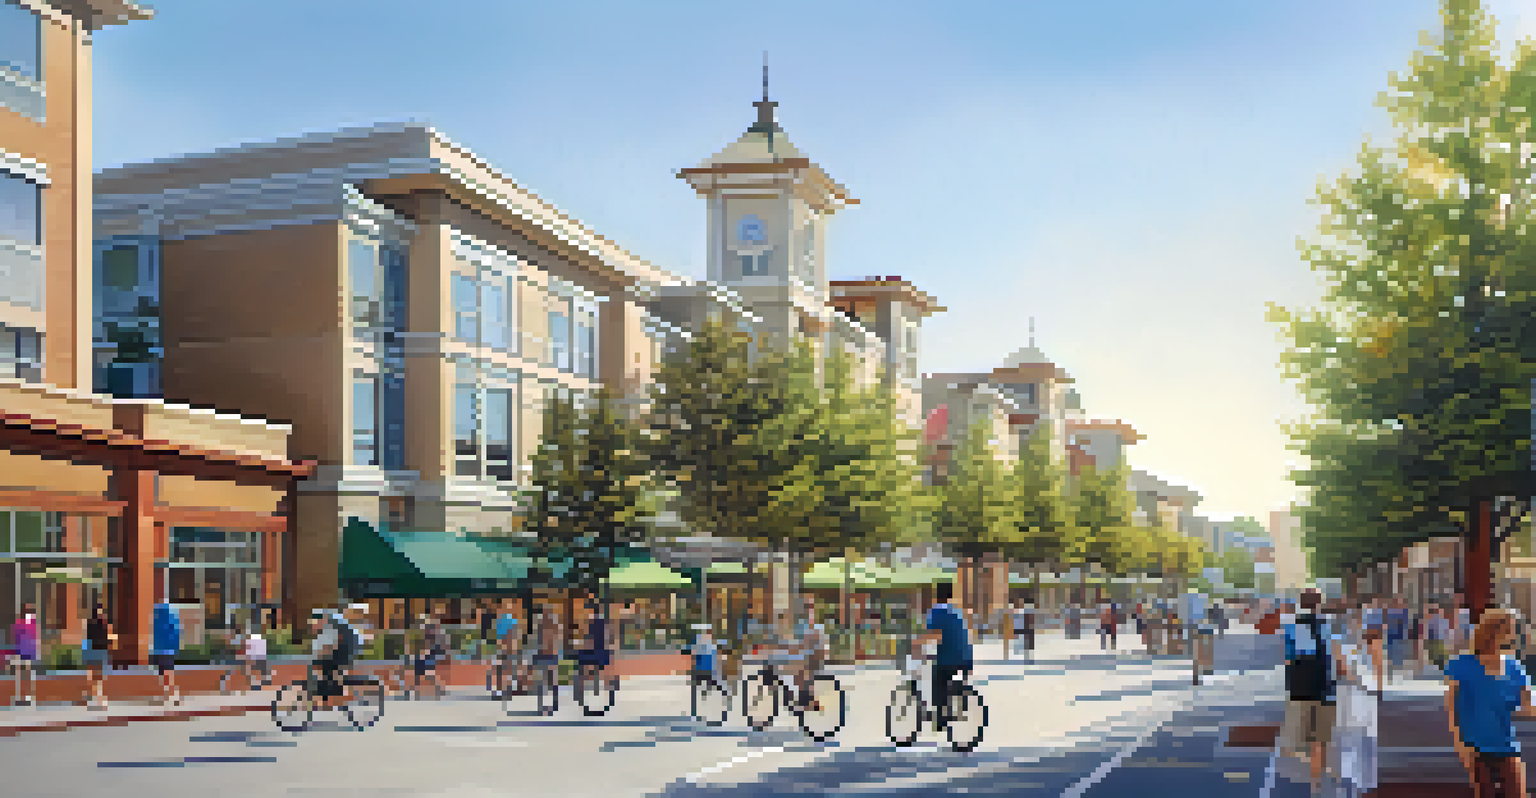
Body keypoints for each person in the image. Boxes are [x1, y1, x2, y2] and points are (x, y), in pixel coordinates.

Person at [1447, 608, 1533, 798]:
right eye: (1512, 628)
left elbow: (1528, 708)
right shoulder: (1461, 665)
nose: (1515, 633)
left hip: (1506, 746)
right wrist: (1461, 746)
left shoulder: (1515, 667)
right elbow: (1453, 710)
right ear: (1495, 630)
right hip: (1476, 749)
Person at [1283, 590, 1343, 794]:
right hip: (1325, 688)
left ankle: (1313, 777)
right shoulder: (1327, 627)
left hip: (1301, 689)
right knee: (1321, 739)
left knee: (1303, 739)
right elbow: (1337, 659)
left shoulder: (1294, 627)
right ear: (1319, 604)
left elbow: (1289, 659)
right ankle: (1316, 782)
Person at [1334, 625, 1385, 797]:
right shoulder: (1358, 657)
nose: (1379, 648)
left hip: (1362, 704)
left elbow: (1377, 680)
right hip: (1353, 704)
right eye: (1377, 643)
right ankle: (1352, 781)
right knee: (1354, 742)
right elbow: (1345, 675)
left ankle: (1364, 783)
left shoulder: (1364, 658)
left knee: (1366, 743)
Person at [917, 581, 974, 731]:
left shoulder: (936, 612)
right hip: (966, 658)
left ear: (936, 595)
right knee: (947, 673)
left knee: (937, 678)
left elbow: (935, 635)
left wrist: (916, 643)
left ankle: (941, 719)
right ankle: (959, 696)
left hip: (948, 659)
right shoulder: (958, 611)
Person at [309, 608, 361, 707]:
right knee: (326, 676)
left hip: (336, 657)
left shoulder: (330, 629)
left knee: (326, 676)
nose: (315, 623)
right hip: (335, 658)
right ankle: (327, 697)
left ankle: (328, 699)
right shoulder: (324, 632)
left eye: (317, 620)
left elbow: (330, 647)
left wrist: (320, 658)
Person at [82, 604, 114, 709]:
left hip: (94, 650)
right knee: (99, 677)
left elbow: (87, 637)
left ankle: (95, 698)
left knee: (94, 676)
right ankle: (98, 698)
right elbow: (108, 636)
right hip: (100, 651)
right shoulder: (103, 622)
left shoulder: (90, 623)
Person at [576, 599, 614, 687]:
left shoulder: (592, 623)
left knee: (580, 654)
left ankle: (584, 677)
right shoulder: (605, 623)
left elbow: (589, 640)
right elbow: (609, 639)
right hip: (603, 651)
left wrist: (583, 645)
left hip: (597, 651)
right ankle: (600, 678)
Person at [151, 602, 182, 706]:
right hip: (165, 649)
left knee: (165, 672)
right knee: (166, 672)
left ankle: (171, 694)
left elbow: (156, 634)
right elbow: (176, 632)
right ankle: (170, 694)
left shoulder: (158, 619)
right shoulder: (169, 617)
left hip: (162, 649)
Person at [10, 603, 38, 706]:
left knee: (28, 675)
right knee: (20, 675)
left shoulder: (33, 623)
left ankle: (28, 697)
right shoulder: (20, 623)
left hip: (29, 652)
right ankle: (20, 696)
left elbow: (34, 638)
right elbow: (16, 638)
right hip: (21, 652)